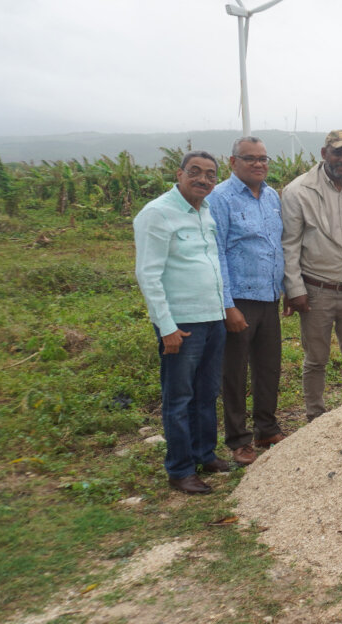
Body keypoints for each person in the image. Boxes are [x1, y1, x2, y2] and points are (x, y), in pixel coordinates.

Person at [133, 150, 229, 494]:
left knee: (206, 394)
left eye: (210, 174)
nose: (203, 179)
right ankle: (180, 469)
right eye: (196, 172)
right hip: (182, 324)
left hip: (213, 317)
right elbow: (148, 275)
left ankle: (205, 454)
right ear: (179, 173)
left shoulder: (205, 211)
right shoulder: (158, 214)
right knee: (178, 399)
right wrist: (167, 326)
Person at [281, 130, 342, 421]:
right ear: (324, 154)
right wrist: (295, 289)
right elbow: (290, 245)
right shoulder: (298, 191)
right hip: (316, 289)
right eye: (338, 153)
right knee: (316, 359)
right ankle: (316, 419)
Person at [207, 136, 286, 467]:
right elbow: (217, 253)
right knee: (235, 372)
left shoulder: (271, 196)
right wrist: (228, 306)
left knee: (269, 367)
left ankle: (266, 427)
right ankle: (239, 440)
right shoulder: (220, 198)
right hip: (240, 298)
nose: (258, 164)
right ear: (232, 162)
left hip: (269, 296)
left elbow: (277, 245)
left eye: (263, 159)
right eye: (250, 158)